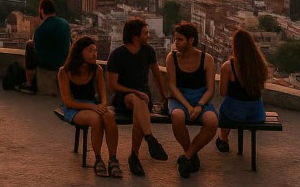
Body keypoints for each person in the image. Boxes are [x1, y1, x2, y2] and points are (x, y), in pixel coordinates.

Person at [106, 18, 169, 176]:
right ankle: (149, 139)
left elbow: (157, 75)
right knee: (136, 99)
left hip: (143, 97)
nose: (148, 36)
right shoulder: (117, 55)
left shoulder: (148, 51)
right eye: (145, 33)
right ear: (135, 37)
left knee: (140, 105)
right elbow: (113, 86)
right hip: (123, 98)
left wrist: (165, 98)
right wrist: (133, 91)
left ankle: (135, 154)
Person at [58, 36, 121, 178]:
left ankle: (112, 159)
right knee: (95, 119)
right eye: (90, 51)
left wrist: (103, 106)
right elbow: (68, 101)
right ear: (79, 53)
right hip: (74, 107)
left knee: (109, 117)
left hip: (92, 104)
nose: (95, 54)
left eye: (95, 50)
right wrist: (92, 107)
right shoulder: (64, 71)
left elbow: (103, 95)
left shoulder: (97, 69)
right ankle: (98, 158)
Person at [166, 22, 217, 178]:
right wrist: (188, 106)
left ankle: (187, 156)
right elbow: (172, 87)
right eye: (175, 40)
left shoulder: (206, 59)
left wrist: (200, 105)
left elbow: (210, 89)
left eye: (180, 40)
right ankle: (191, 154)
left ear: (191, 40)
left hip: (200, 98)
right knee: (177, 116)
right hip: (179, 99)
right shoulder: (172, 57)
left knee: (212, 122)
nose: (176, 43)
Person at [216, 29, 269, 153]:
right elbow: (261, 87)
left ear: (235, 46)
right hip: (257, 114)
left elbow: (223, 93)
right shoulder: (260, 65)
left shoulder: (228, 66)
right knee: (232, 106)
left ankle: (223, 138)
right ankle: (223, 138)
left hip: (235, 114)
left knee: (225, 108)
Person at [20, 0, 70, 94]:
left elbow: (36, 47)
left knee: (29, 45)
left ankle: (29, 83)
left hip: (51, 64)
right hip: (65, 61)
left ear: (42, 10)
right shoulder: (65, 23)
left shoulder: (41, 29)